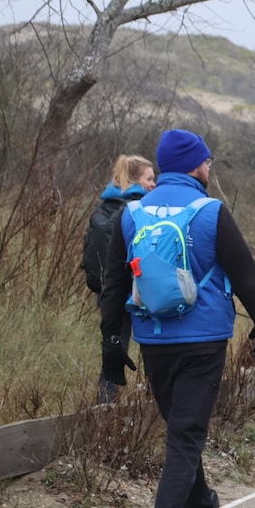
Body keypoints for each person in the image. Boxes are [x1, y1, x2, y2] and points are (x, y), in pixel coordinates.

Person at [99, 129, 255, 508]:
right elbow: (248, 275)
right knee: (186, 434)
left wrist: (111, 345)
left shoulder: (131, 214)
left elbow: (114, 284)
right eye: (208, 162)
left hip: (153, 338)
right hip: (204, 340)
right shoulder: (212, 212)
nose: (210, 169)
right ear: (196, 166)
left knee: (182, 428)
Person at [82, 154, 157, 403]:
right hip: (140, 293)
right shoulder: (143, 208)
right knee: (153, 354)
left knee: (113, 354)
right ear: (136, 180)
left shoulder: (105, 206)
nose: (153, 184)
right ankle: (153, 406)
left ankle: (103, 409)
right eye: (149, 178)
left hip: (110, 294)